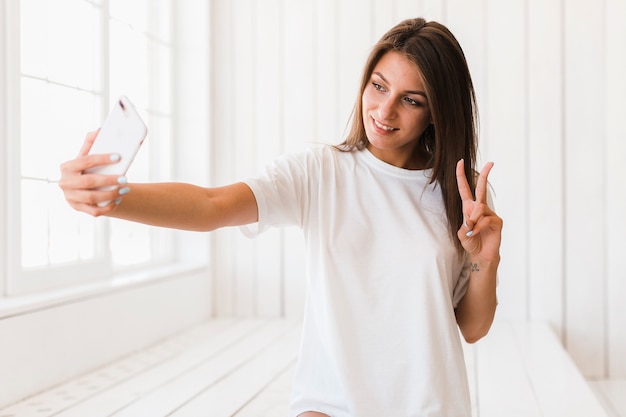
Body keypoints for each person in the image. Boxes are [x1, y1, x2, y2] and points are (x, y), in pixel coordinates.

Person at [59, 17, 502, 417]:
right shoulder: (321, 172)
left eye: (411, 100)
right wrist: (116, 197)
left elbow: (472, 327)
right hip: (329, 406)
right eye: (379, 86)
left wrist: (485, 257)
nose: (384, 112)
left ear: (437, 113)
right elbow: (213, 205)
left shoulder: (461, 201)